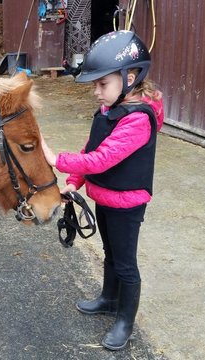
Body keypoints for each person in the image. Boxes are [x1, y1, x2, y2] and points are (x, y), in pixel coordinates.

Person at [40, 30, 164, 351]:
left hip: (127, 205)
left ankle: (125, 320)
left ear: (130, 76)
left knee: (126, 263)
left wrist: (56, 159)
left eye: (102, 84)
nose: (96, 92)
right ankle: (109, 299)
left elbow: (104, 158)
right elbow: (90, 149)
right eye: (95, 85)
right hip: (104, 199)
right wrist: (73, 182)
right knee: (110, 254)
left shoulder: (138, 120)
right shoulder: (108, 112)